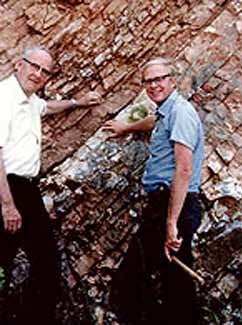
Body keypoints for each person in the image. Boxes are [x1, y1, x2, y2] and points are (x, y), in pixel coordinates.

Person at [0, 45, 101, 325]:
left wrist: (77, 103)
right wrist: (7, 205)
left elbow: (46, 107)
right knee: (44, 263)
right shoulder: (4, 97)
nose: (38, 74)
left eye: (45, 71)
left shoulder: (28, 99)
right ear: (20, 64)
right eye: (34, 66)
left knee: (17, 261)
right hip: (10, 188)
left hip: (24, 189)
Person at [104, 57, 204, 324]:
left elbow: (183, 170)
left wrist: (171, 222)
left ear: (173, 80)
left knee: (134, 277)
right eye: (149, 81)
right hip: (167, 203)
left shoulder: (181, 112)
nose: (154, 85)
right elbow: (155, 122)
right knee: (174, 278)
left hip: (173, 204)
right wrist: (127, 127)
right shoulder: (168, 112)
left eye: (160, 79)